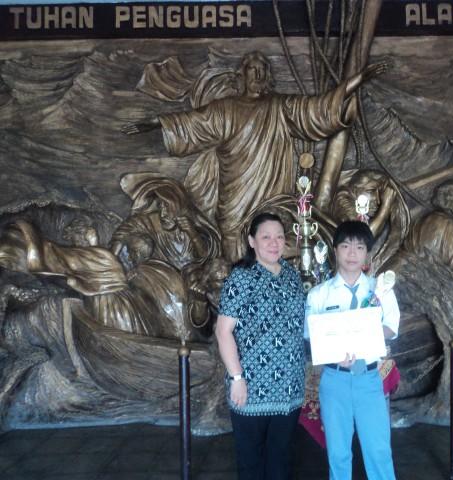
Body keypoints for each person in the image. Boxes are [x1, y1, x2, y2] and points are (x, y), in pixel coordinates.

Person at [123, 51, 387, 262]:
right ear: (243, 74)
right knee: (235, 262)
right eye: (252, 69)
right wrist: (156, 123)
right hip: (234, 202)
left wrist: (356, 81)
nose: (258, 74)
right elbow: (192, 123)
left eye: (263, 69)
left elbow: (320, 109)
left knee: (277, 253)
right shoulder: (225, 109)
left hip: (272, 199)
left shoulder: (280, 107)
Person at [305, 221, 400, 480]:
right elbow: (311, 335)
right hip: (334, 380)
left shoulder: (380, 290)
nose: (352, 253)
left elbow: (391, 327)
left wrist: (364, 336)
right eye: (345, 246)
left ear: (367, 253)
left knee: (379, 450)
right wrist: (334, 349)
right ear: (335, 250)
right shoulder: (319, 295)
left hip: (368, 379)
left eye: (359, 247)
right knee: (338, 453)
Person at [214, 213, 306, 480]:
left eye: (279, 237)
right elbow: (223, 331)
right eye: (266, 237)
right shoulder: (242, 278)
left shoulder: (291, 275)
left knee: (281, 458)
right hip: (251, 387)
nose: (274, 243)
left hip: (289, 388)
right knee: (251, 461)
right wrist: (237, 378)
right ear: (252, 241)